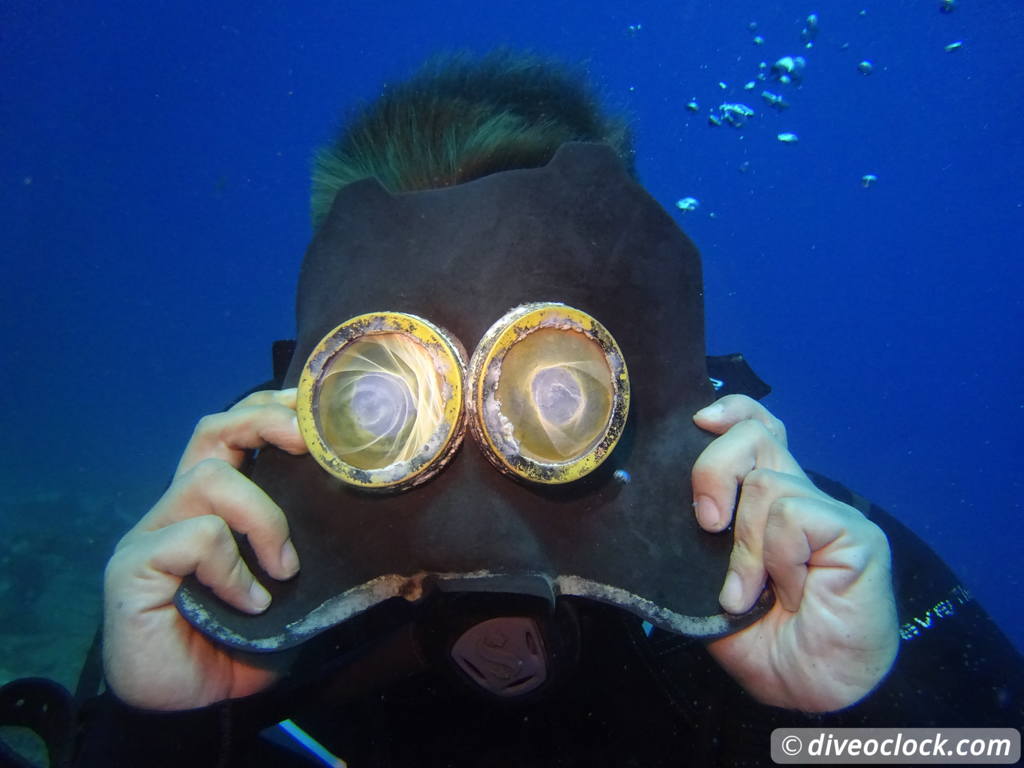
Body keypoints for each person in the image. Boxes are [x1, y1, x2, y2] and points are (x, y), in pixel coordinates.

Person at [12, 51, 1021, 768]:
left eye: (554, 386)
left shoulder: (784, 565)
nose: (479, 494)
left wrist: (856, 710)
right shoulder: (237, 590)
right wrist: (163, 729)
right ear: (315, 382)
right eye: (388, 392)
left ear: (644, 359)